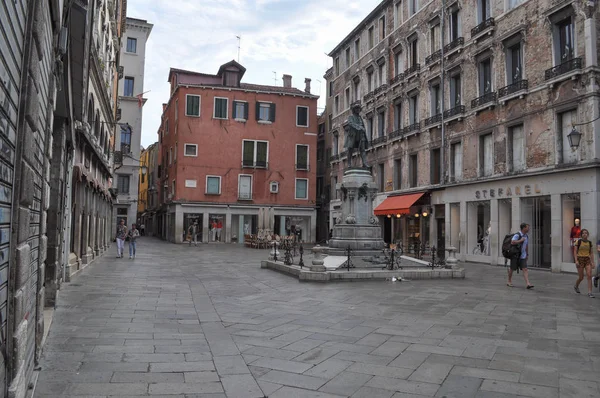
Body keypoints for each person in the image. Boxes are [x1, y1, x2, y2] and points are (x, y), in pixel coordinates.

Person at [507, 223, 534, 289]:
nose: (528, 229)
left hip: (523, 255)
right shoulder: (517, 235)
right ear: (524, 228)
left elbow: (526, 245)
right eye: (527, 227)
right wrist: (520, 240)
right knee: (512, 269)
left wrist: (527, 254)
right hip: (515, 255)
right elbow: (512, 242)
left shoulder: (526, 236)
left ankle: (528, 284)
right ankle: (509, 281)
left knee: (525, 269)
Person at [573, 229, 595, 297]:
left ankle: (590, 292)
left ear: (587, 234)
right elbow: (575, 251)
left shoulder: (590, 243)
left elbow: (591, 253)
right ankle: (576, 286)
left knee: (589, 275)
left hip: (587, 259)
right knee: (581, 277)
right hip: (580, 259)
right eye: (583, 233)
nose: (584, 234)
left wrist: (592, 262)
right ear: (581, 235)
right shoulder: (578, 242)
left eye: (586, 233)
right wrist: (576, 260)